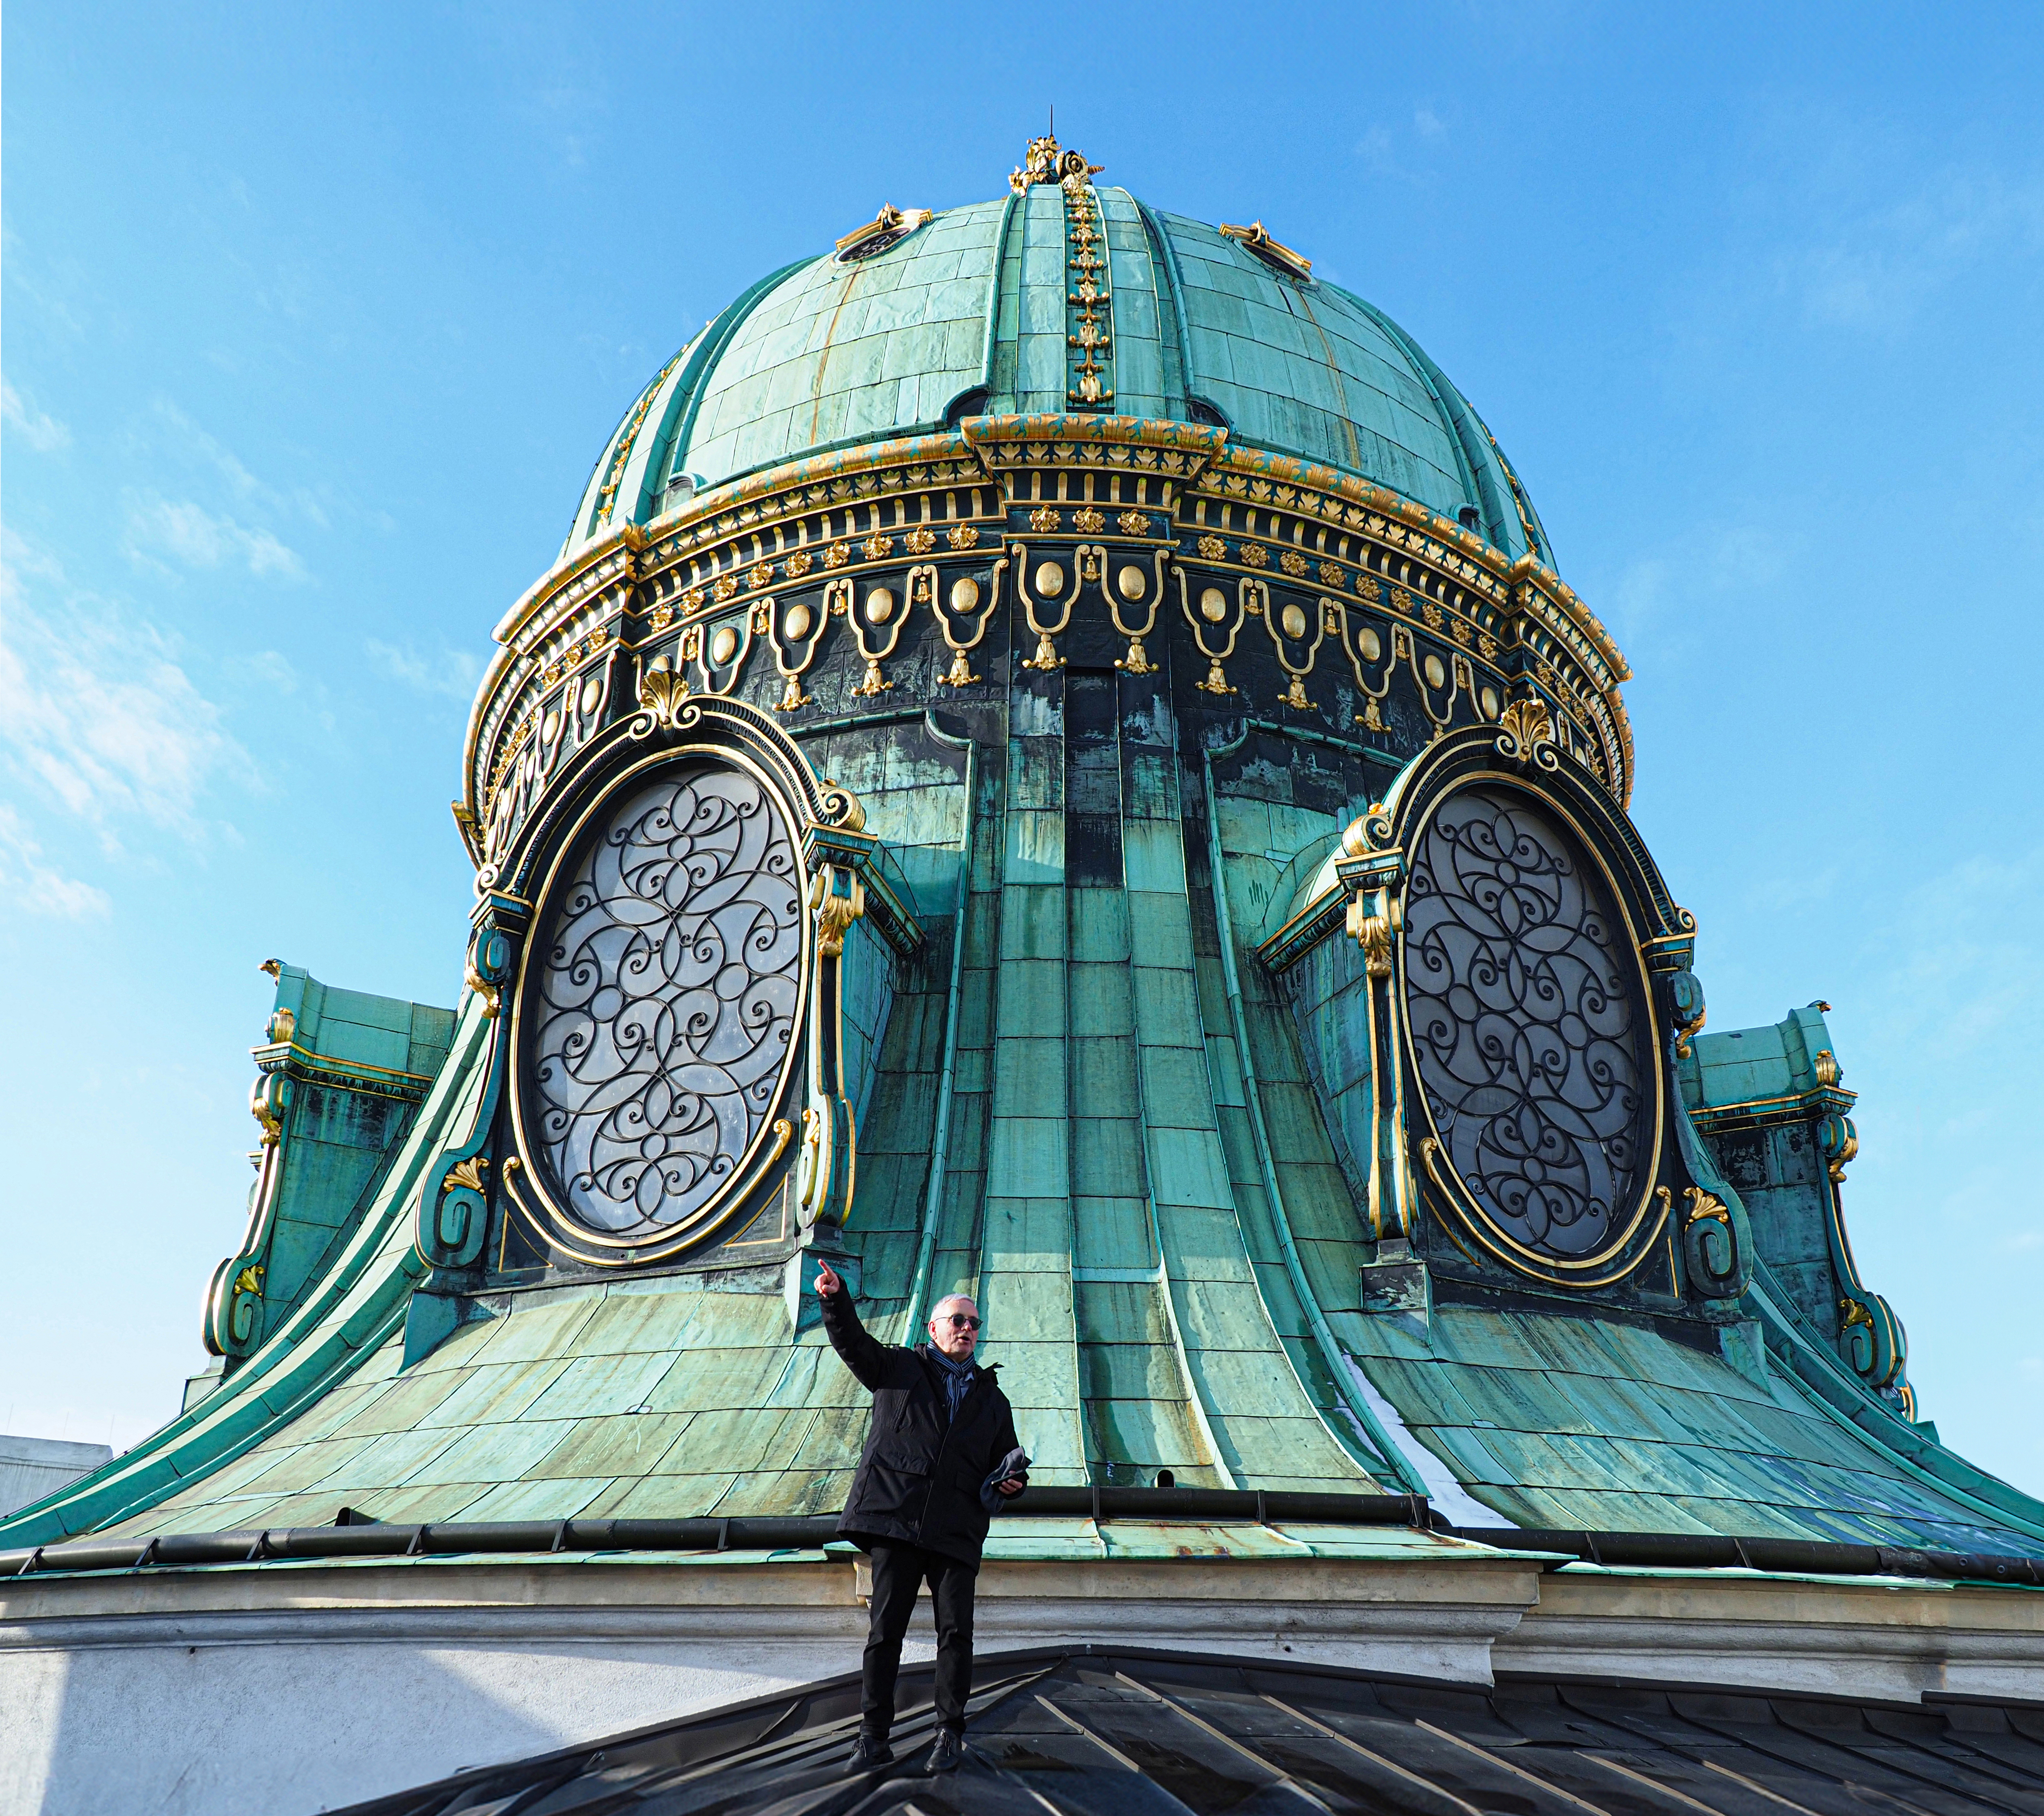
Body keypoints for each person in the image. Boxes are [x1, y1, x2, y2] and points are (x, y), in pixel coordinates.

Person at [816, 1259, 1029, 1776]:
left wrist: (1013, 1483)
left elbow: (1008, 1460)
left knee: (956, 1633)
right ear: (932, 1329)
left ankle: (949, 1734)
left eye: (973, 1323)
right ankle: (872, 1738)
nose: (966, 1329)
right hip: (897, 1516)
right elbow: (853, 1344)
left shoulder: (992, 1400)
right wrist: (834, 1300)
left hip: (956, 1527)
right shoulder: (899, 1368)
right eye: (957, 1320)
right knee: (884, 1632)